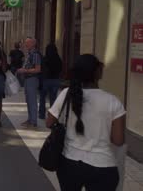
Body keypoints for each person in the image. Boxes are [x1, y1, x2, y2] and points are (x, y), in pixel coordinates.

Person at [46, 54, 125, 191]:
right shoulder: (113, 101)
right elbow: (118, 140)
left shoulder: (67, 94)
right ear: (98, 73)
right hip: (103, 166)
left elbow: (49, 122)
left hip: (69, 163)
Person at [17, 38, 42, 128]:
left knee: (32, 101)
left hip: (32, 79)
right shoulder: (29, 54)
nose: (26, 44)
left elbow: (38, 69)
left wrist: (25, 70)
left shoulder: (35, 54)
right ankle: (30, 119)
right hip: (28, 79)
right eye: (25, 42)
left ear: (33, 44)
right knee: (28, 100)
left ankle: (33, 121)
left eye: (28, 43)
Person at [39, 43, 63, 119]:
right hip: (55, 80)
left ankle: (42, 114)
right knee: (53, 99)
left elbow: (41, 70)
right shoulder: (58, 59)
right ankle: (52, 116)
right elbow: (60, 69)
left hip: (46, 80)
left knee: (42, 98)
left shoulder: (44, 59)